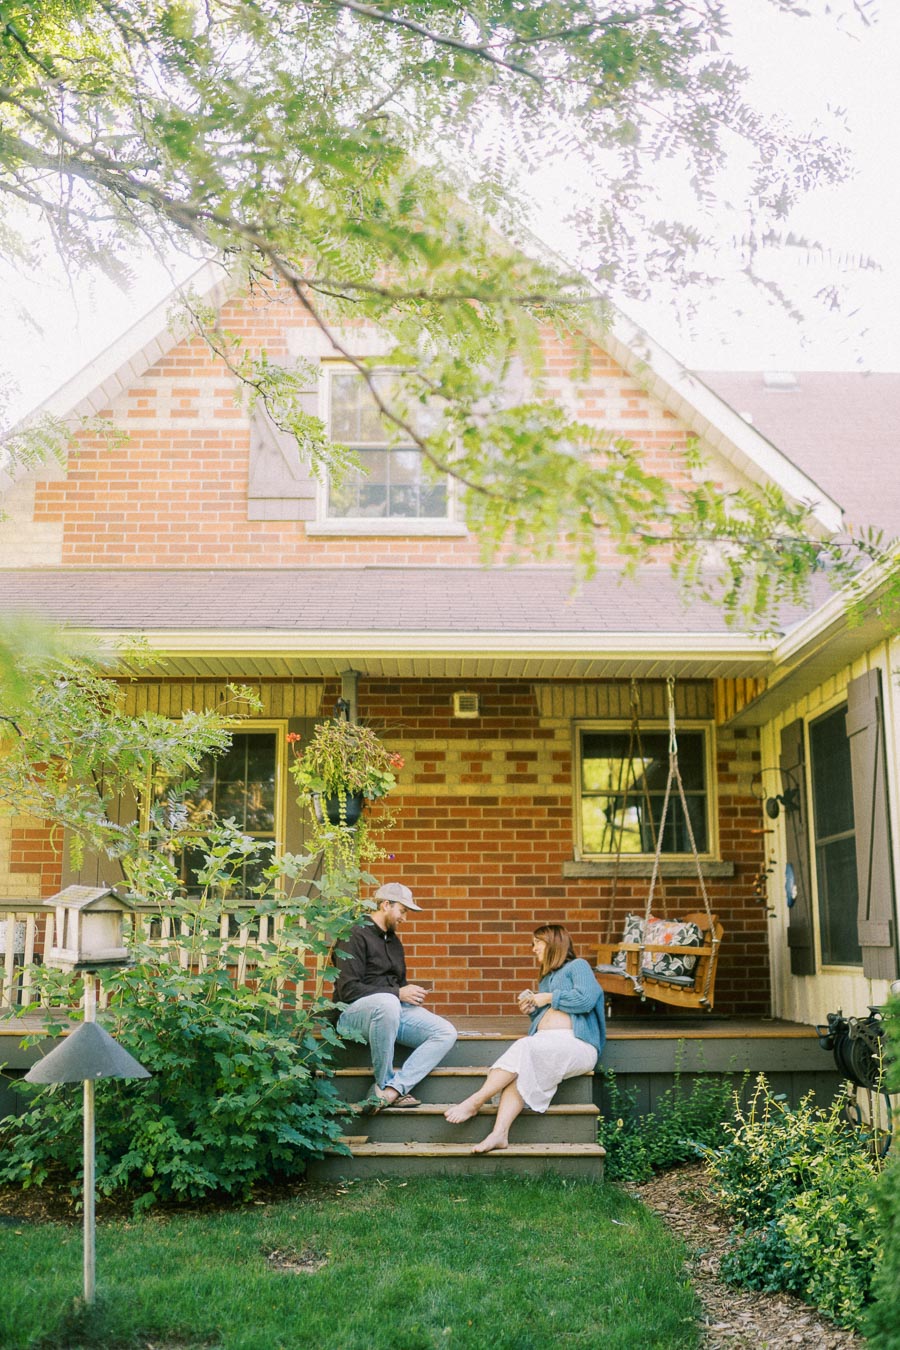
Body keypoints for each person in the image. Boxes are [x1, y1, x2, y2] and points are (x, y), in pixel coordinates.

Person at [444, 924, 605, 1153]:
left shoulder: (578, 966)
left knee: (524, 1047)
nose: (533, 949)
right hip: (547, 1045)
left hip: (578, 1045)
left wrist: (547, 997)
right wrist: (533, 1010)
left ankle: (475, 1101)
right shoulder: (547, 978)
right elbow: (550, 1012)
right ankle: (499, 1134)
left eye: (536, 943)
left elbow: (586, 999)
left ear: (552, 943)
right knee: (520, 1068)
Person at [334, 882, 457, 1112]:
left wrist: (408, 993)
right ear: (385, 905)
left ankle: (392, 1091)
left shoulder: (393, 941)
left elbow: (396, 987)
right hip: (352, 1016)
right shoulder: (353, 934)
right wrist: (397, 993)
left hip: (391, 1011)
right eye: (402, 911)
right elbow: (347, 991)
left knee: (445, 1032)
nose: (404, 918)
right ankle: (381, 1082)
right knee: (388, 1002)